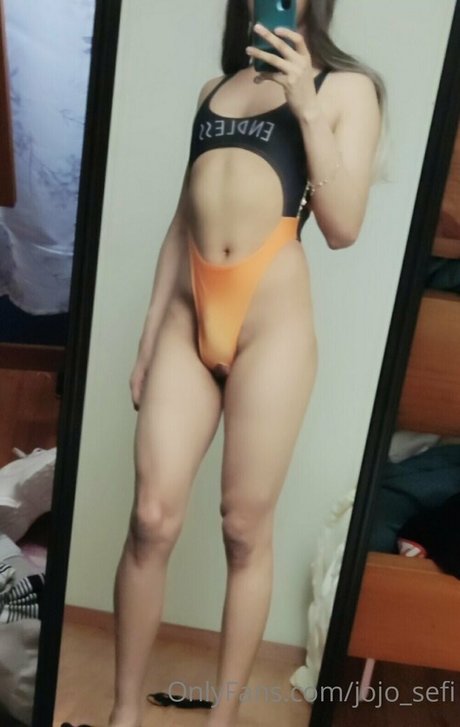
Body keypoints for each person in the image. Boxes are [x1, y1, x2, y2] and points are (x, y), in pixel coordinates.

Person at [108, 1, 384, 725]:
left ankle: (223, 717)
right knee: (150, 518)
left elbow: (344, 227)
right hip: (187, 315)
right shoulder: (215, 89)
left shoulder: (347, 89)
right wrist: (147, 337)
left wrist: (305, 104)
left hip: (271, 324)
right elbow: (181, 219)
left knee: (241, 527)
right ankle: (122, 712)